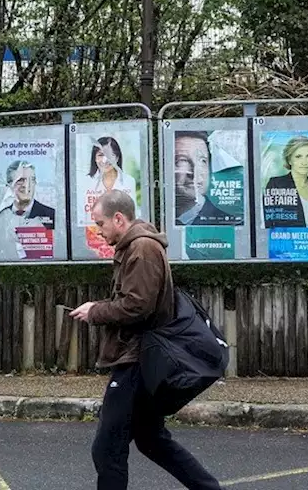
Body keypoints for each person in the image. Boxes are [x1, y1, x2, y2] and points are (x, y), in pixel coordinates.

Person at [68, 190, 221, 490]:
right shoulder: (136, 247)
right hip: (139, 355)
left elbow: (138, 306)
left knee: (107, 447)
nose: (99, 231)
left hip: (137, 359)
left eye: (101, 224)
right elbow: (135, 300)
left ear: (119, 219)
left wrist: (96, 311)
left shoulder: (141, 250)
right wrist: (97, 308)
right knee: (151, 439)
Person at [262, 135, 308, 228]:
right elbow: (269, 221)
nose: (304, 162)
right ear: (289, 159)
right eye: (298, 156)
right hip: (285, 240)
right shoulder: (276, 184)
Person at [172, 131, 236, 226]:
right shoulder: (162, 219)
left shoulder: (228, 223)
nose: (194, 172)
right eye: (183, 160)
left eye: (202, 161)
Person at [0, 160, 56, 226]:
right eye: (20, 180)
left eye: (32, 180)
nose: (26, 185)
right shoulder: (0, 216)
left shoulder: (52, 215)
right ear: (9, 185)